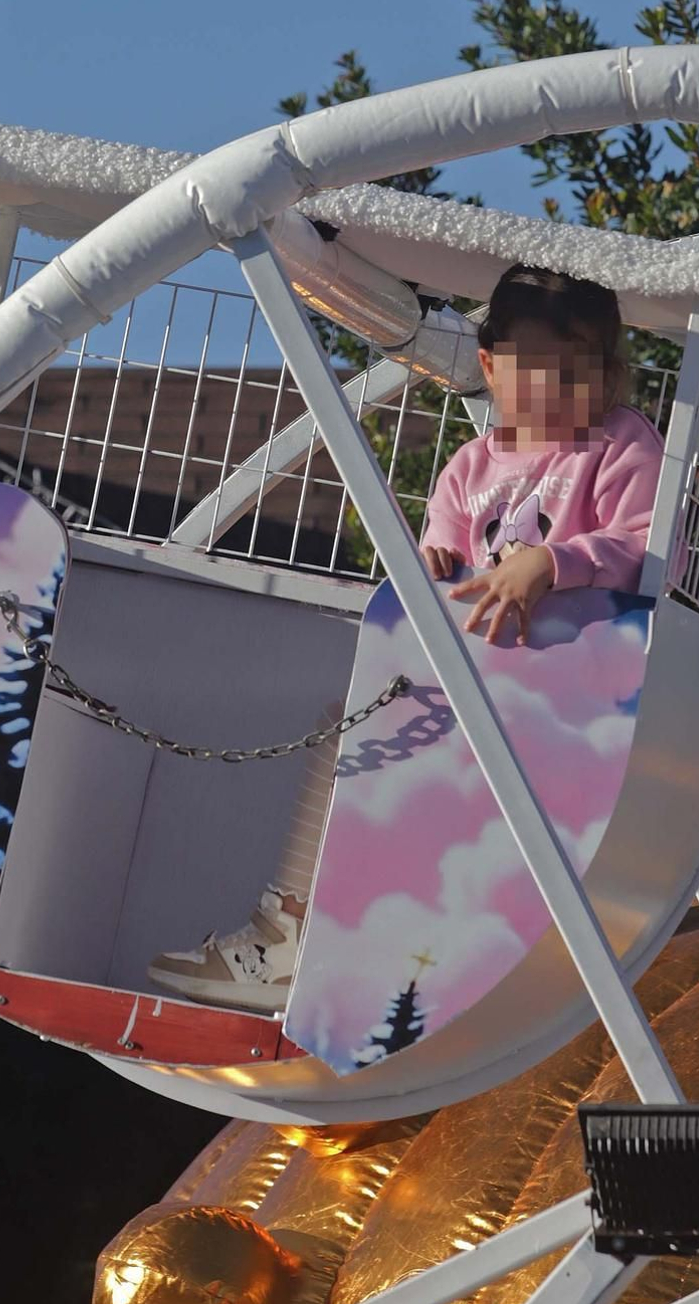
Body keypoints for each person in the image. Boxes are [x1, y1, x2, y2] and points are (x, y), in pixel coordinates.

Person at [148, 265, 662, 1013]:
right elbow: (440, 563)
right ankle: (298, 929)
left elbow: (645, 547)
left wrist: (552, 562)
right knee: (354, 731)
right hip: (470, 689)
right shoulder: (467, 469)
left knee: (384, 752)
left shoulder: (620, 445)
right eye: (537, 374)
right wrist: (433, 565)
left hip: (565, 695)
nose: (556, 395)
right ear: (490, 367)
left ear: (611, 375)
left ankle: (305, 940)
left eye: (578, 376)